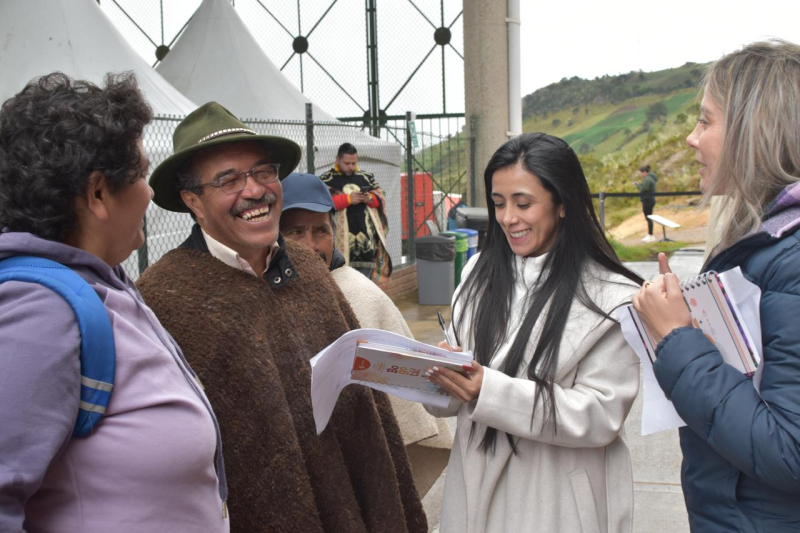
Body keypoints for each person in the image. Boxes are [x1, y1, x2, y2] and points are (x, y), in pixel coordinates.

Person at [137, 103, 426, 533]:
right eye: (229, 180)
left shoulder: (309, 271)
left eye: (263, 172)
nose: (254, 191)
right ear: (192, 201)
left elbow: (367, 415)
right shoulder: (164, 300)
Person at [0, 73, 228, 531]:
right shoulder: (39, 312)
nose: (148, 193)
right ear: (98, 192)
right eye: (142, 174)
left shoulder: (103, 282)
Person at [424, 133, 644, 533]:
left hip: (554, 503)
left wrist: (486, 390)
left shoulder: (611, 296)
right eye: (498, 203)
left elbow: (599, 416)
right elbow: (455, 392)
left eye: (524, 203)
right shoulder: (478, 274)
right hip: (472, 491)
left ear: (562, 204)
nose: (508, 217)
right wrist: (433, 376)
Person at [633, 40, 800, 532]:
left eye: (705, 121)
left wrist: (679, 340)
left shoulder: (791, 259)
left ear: (754, 131)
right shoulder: (767, 241)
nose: (691, 138)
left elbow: (789, 451)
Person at [280, 171, 453, 497]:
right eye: (295, 232)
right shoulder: (263, 296)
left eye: (321, 231)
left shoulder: (362, 296)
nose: (311, 245)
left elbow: (409, 394)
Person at [319, 142, 392, 280]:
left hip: (366, 244)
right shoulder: (326, 179)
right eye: (347, 163)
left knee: (365, 286)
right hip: (340, 246)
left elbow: (380, 197)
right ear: (337, 159)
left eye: (353, 163)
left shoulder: (366, 177)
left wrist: (369, 198)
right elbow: (323, 203)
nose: (351, 167)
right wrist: (348, 199)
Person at [634, 164, 659, 242]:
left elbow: (644, 188)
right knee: (649, 217)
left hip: (647, 200)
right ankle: (650, 234)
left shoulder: (648, 179)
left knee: (648, 218)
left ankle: (650, 235)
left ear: (644, 172)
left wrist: (637, 186)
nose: (641, 174)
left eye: (641, 172)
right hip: (650, 199)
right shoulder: (650, 178)